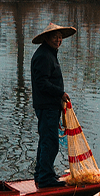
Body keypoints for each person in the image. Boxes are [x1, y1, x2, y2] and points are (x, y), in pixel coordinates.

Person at [30, 24, 76, 186]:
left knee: (46, 140)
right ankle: (45, 178)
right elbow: (42, 83)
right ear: (47, 38)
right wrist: (60, 93)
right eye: (55, 37)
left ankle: (42, 174)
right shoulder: (43, 56)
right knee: (50, 142)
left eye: (60, 37)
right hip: (46, 106)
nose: (58, 40)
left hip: (49, 105)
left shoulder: (49, 54)